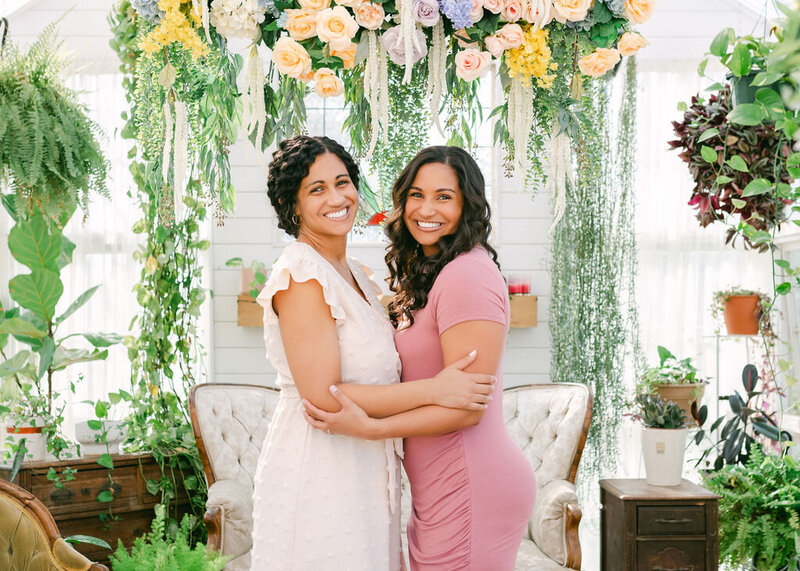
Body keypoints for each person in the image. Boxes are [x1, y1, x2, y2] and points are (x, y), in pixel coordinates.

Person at [249, 136, 496, 571]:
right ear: (293, 206)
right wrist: (435, 390)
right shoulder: (302, 275)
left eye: (342, 182)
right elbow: (325, 397)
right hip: (321, 464)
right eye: (317, 189)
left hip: (365, 467)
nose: (336, 197)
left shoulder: (360, 276)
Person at [303, 145, 537, 570]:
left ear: (468, 204)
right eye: (416, 194)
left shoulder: (469, 274)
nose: (426, 208)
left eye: (444, 196)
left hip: (471, 482)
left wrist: (371, 429)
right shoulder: (432, 273)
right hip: (439, 486)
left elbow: (466, 409)